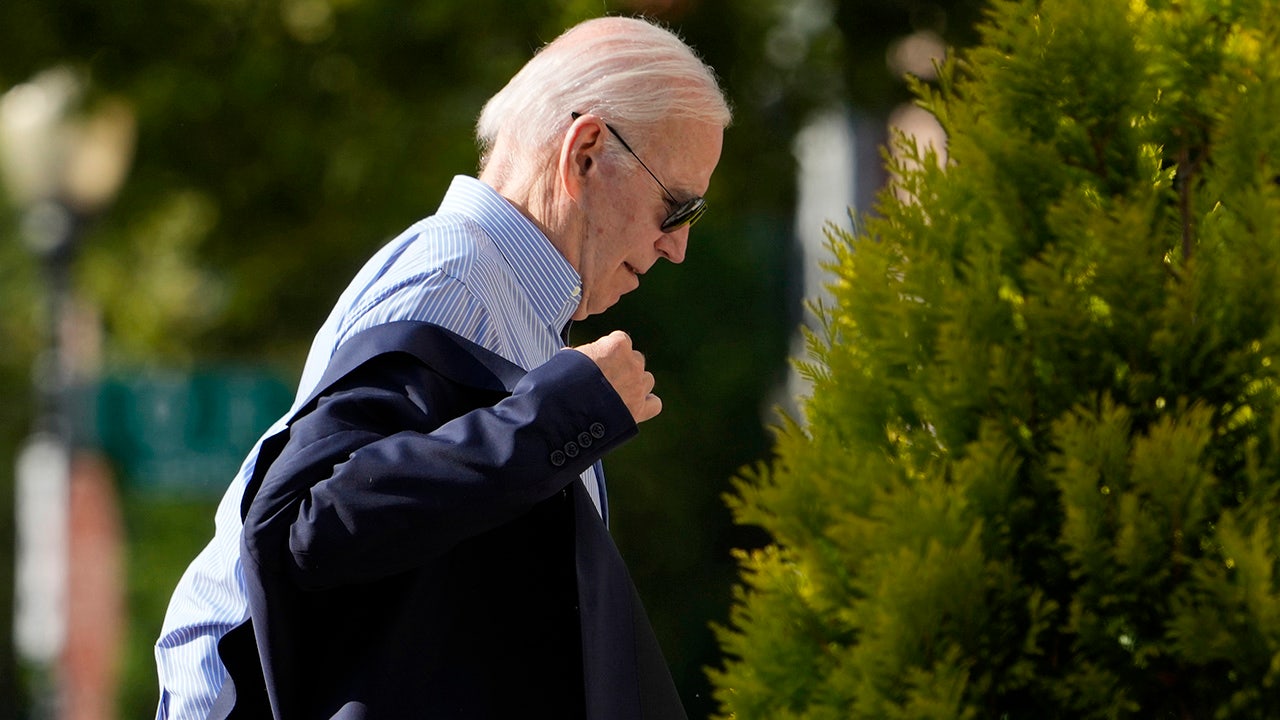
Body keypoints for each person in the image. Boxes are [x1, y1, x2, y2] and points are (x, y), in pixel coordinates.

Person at [153, 14, 731, 720]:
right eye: (677, 207)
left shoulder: (504, 298)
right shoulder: (454, 285)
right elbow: (309, 529)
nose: (677, 247)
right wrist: (559, 418)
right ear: (585, 154)